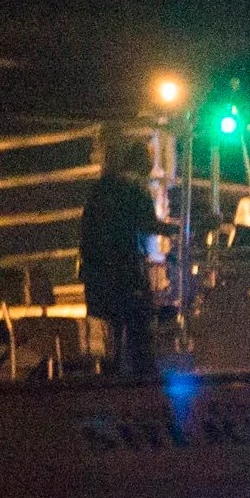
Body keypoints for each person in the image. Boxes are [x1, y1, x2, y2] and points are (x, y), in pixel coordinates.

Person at [80, 132, 165, 375]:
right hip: (123, 273)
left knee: (108, 340)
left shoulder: (99, 189)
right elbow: (150, 225)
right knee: (139, 332)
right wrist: (188, 227)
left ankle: (108, 386)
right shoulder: (135, 189)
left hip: (96, 275)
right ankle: (143, 390)